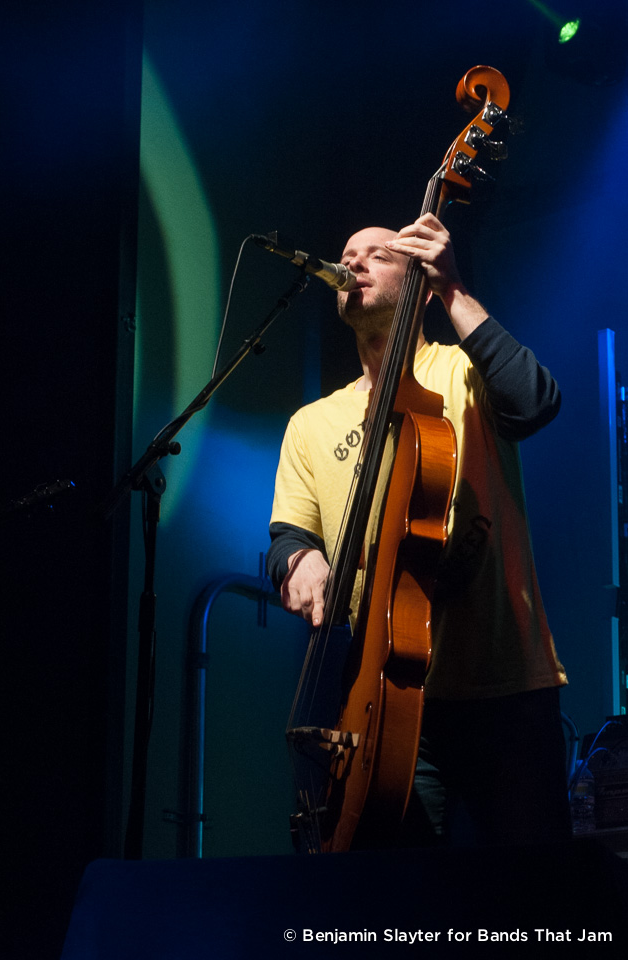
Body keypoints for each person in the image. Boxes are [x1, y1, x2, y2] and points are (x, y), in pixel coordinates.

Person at [266, 213, 571, 847]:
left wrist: (455, 289)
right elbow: (287, 536)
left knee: (533, 898)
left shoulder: (464, 372)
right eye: (348, 254)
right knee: (392, 906)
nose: (353, 262)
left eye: (379, 255)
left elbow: (534, 401)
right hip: (386, 698)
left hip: (502, 685)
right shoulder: (312, 424)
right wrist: (299, 561)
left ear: (419, 284)